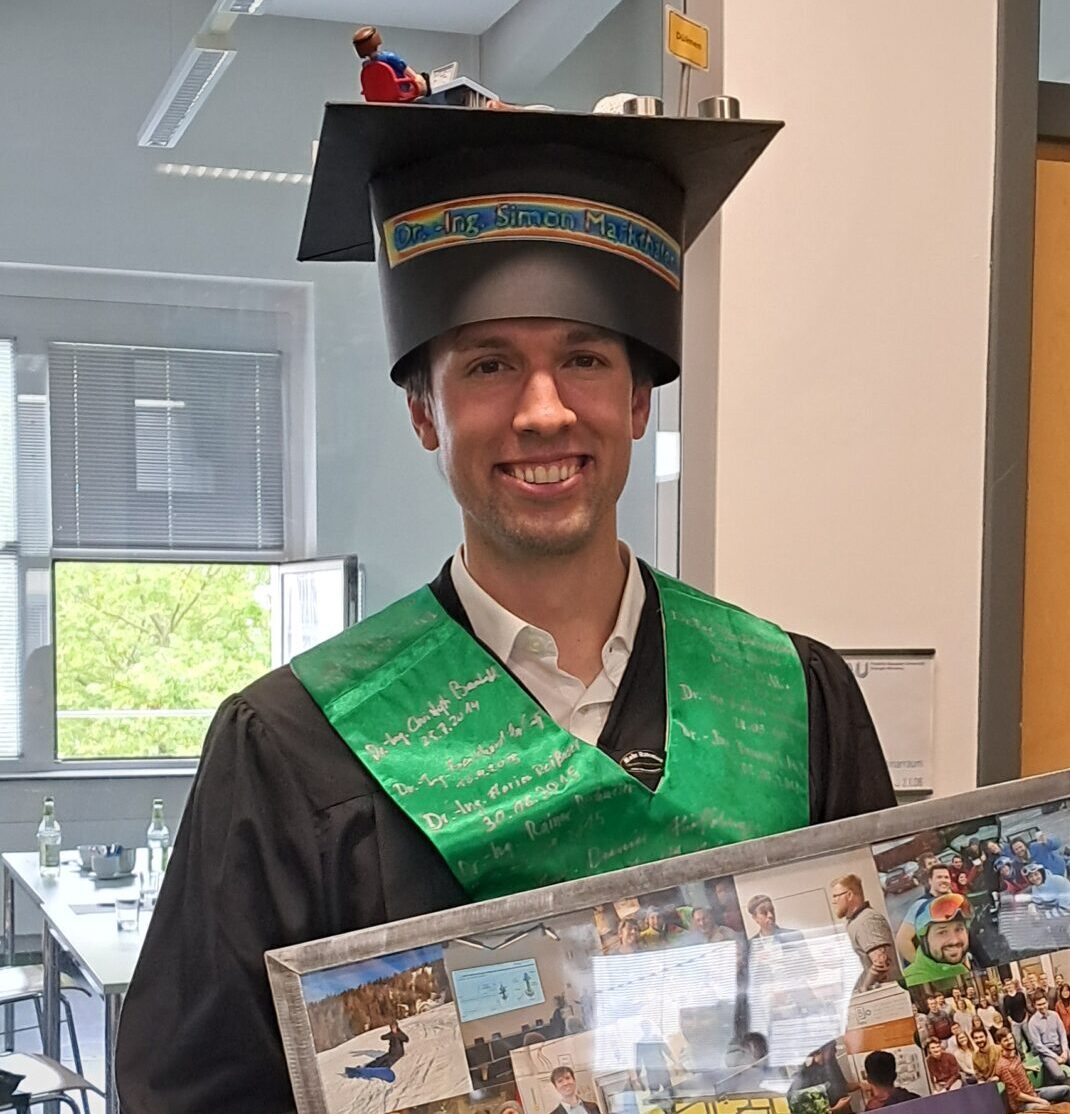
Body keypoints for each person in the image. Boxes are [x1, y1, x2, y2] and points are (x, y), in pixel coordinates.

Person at [115, 103, 895, 1113]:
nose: (542, 409)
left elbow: (884, 1022)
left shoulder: (794, 696)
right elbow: (192, 1093)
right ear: (423, 412)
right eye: (488, 364)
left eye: (584, 359)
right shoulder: (292, 749)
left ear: (638, 402)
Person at [830, 873, 901, 992]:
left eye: (836, 896)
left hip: (885, 994)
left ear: (849, 895)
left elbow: (881, 961)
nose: (834, 901)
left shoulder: (867, 920)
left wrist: (864, 988)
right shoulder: (856, 921)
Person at [901, 893, 975, 986]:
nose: (954, 940)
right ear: (924, 938)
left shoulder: (960, 969)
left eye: (959, 929)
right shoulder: (912, 981)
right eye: (942, 932)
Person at [993, 1027, 1070, 1110]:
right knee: (1048, 1108)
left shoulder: (1014, 1054)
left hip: (1033, 1092)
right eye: (1006, 1040)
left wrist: (1028, 1068)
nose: (1010, 1041)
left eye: (1011, 1038)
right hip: (1022, 1103)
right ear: (998, 1043)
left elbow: (1014, 1068)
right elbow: (1017, 1095)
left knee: (1066, 1090)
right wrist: (1039, 1100)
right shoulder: (1003, 1066)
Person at [896, 863, 955, 963]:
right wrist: (922, 966)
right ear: (930, 881)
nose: (943, 880)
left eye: (946, 877)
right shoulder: (921, 905)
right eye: (939, 877)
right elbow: (902, 940)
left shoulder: (951, 902)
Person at [352, 25, 429, 98]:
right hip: (401, 92)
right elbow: (412, 75)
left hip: (379, 96)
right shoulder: (389, 57)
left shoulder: (365, 65)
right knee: (420, 78)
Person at [790, 1041, 855, 1114]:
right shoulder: (804, 1077)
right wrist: (836, 1108)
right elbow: (805, 1110)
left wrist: (860, 1085)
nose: (835, 1051)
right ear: (821, 1050)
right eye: (832, 1048)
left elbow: (843, 1086)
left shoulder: (833, 1066)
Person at [1027, 991, 1070, 1085]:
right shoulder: (1032, 1022)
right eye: (1039, 1005)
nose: (1042, 1006)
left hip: (1060, 1048)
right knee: (1059, 1075)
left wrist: (1065, 1051)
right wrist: (1056, 1057)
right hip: (1047, 1053)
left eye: (1044, 1003)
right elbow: (1038, 1045)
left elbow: (1062, 1034)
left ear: (1047, 1002)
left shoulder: (1054, 1015)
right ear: (1034, 1005)